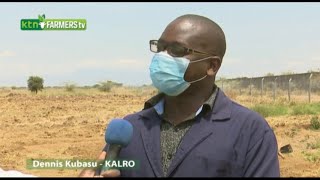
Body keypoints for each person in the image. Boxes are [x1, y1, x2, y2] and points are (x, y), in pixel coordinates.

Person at [79, 14, 280, 177]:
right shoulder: (128, 128)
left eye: (176, 50)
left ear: (212, 66)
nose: (162, 56)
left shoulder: (251, 131)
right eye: (160, 47)